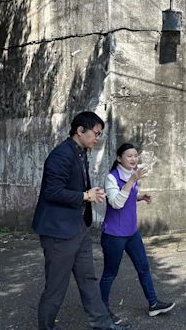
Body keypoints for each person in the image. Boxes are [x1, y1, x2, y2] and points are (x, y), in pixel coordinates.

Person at [32, 111, 130, 330]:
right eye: (95, 133)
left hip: (78, 228)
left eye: (99, 134)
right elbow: (52, 191)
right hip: (58, 232)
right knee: (56, 288)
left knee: (88, 280)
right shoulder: (61, 155)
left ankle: (103, 325)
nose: (97, 138)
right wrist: (85, 195)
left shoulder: (80, 152)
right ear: (80, 131)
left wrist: (87, 194)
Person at [100, 143, 175, 319]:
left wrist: (140, 196)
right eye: (129, 156)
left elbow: (127, 196)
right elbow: (116, 202)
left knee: (143, 267)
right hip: (114, 235)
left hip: (131, 233)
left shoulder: (132, 176)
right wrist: (132, 181)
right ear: (119, 158)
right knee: (110, 273)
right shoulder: (112, 177)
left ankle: (154, 303)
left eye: (135, 155)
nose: (134, 159)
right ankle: (101, 309)